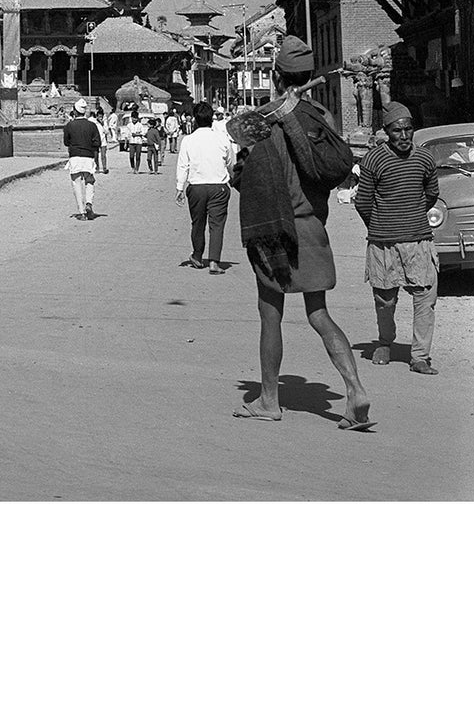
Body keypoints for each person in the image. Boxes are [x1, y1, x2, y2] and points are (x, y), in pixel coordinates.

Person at [228, 36, 371, 428]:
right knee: (319, 313)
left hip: (275, 233)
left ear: (275, 75)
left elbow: (243, 179)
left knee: (270, 316)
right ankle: (355, 389)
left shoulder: (263, 123)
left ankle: (269, 401)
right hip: (312, 228)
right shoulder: (318, 118)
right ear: (308, 76)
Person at [355, 100, 442, 374]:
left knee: (425, 297)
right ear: (386, 131)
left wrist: (411, 218)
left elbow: (431, 193)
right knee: (385, 299)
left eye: (408, 130)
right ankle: (384, 341)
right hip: (384, 244)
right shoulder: (373, 160)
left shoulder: (425, 159)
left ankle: (419, 356)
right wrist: (383, 225)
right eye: (397, 131)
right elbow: (363, 202)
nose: (403, 136)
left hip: (419, 241)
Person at [176, 100, 234, 272]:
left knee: (198, 223)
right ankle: (214, 262)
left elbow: (183, 165)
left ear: (195, 119)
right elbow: (230, 162)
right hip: (219, 187)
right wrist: (232, 176)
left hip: (197, 187)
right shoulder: (222, 139)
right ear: (212, 119)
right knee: (217, 225)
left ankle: (197, 255)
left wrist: (179, 188)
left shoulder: (188, 140)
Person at [63, 97, 103, 220]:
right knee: (89, 181)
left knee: (77, 184)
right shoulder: (92, 125)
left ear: (74, 111)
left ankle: (81, 212)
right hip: (88, 157)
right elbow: (98, 143)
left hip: (74, 156)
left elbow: (66, 142)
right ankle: (89, 203)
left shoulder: (69, 125)